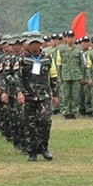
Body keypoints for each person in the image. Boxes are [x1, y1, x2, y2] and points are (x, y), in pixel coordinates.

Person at [13, 32, 59, 161]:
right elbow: (18, 77)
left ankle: (43, 148)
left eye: (37, 43)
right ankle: (32, 151)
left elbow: (53, 76)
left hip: (44, 95)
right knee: (30, 124)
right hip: (28, 96)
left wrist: (55, 94)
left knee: (45, 121)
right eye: (32, 43)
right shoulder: (22, 59)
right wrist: (19, 92)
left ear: (41, 44)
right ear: (28, 44)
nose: (34, 45)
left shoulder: (47, 58)